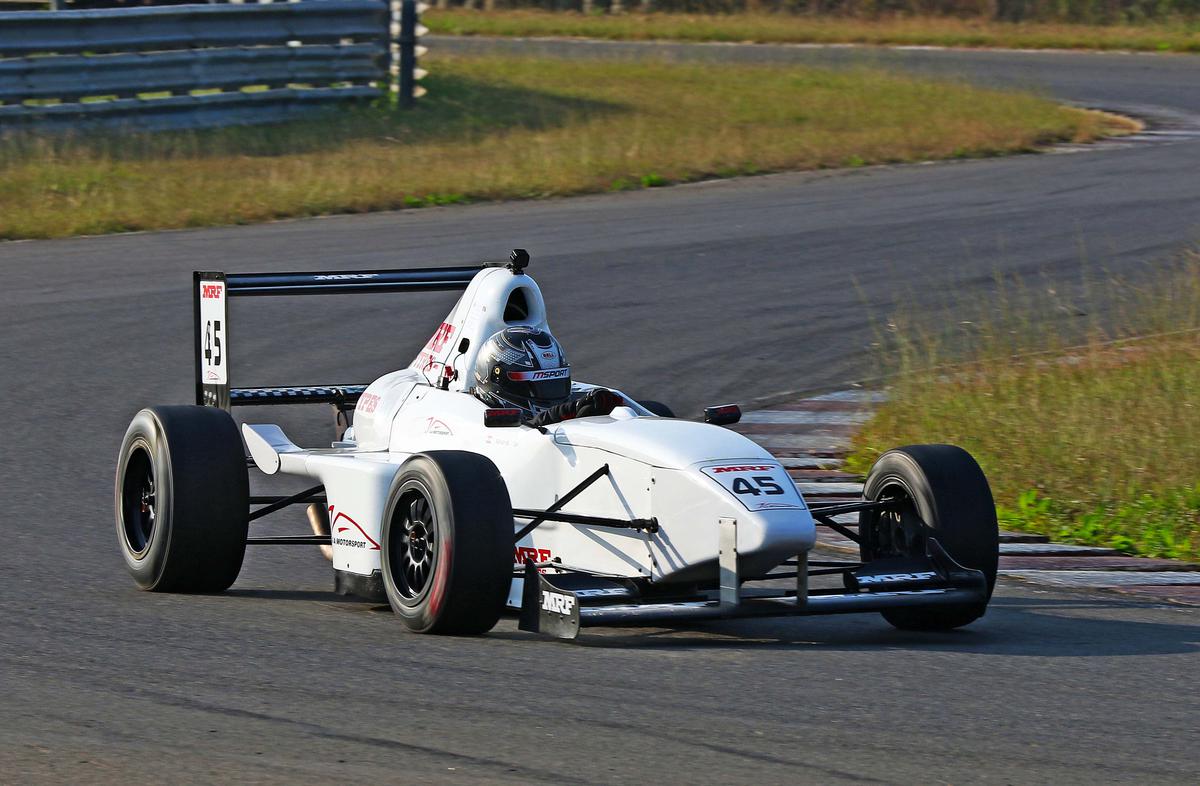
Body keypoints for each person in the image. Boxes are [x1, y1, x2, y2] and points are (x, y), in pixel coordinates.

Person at [472, 327, 624, 426]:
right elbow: (528, 429)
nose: (549, 391)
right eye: (535, 385)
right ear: (497, 377)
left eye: (555, 382)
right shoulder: (475, 419)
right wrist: (572, 409)